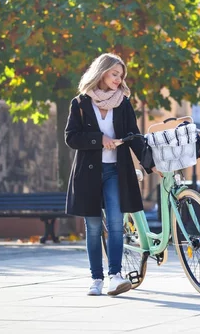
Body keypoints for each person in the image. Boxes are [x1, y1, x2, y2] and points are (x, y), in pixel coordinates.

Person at [65, 53, 159, 296]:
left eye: (121, 76)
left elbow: (135, 137)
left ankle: (115, 277)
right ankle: (96, 279)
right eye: (115, 74)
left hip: (117, 171)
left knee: (117, 223)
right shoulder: (80, 103)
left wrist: (150, 164)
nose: (119, 79)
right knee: (94, 227)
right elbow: (71, 137)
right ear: (101, 72)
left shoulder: (123, 103)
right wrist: (100, 140)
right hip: (88, 174)